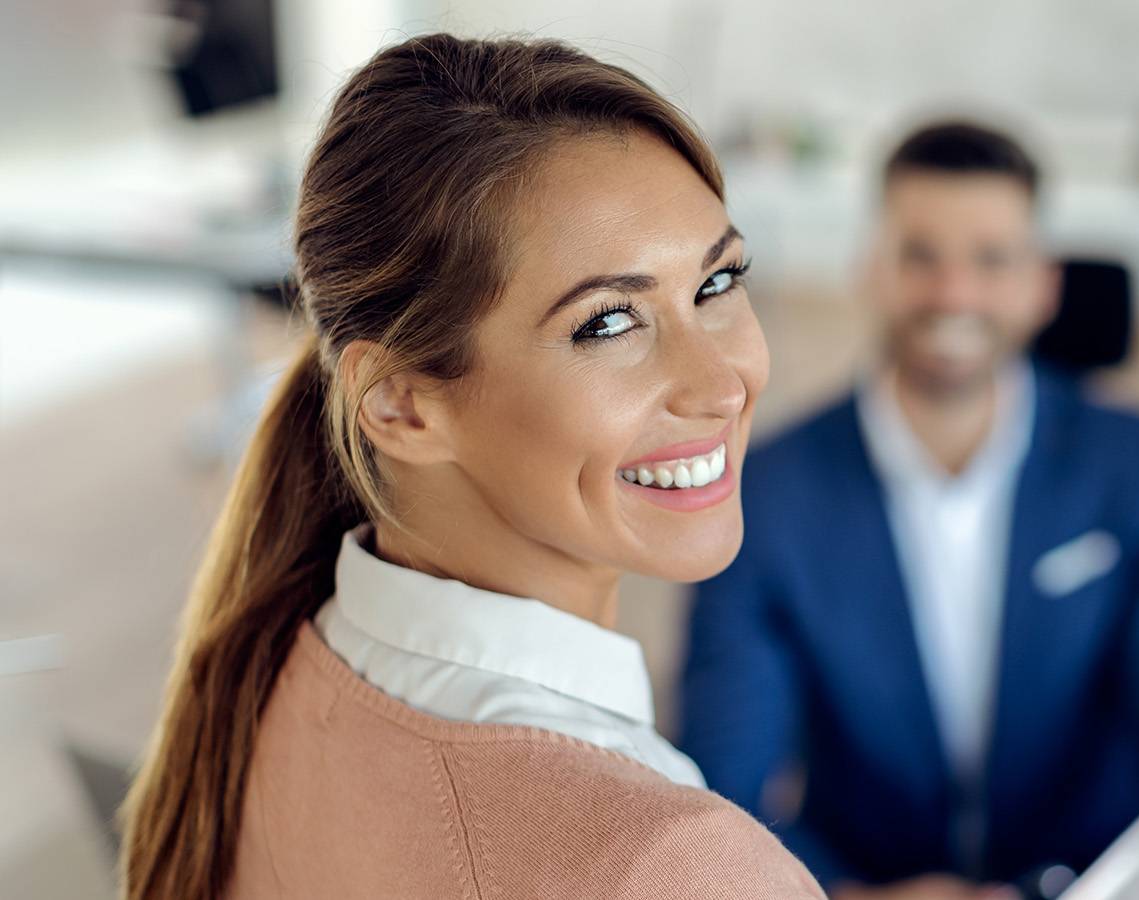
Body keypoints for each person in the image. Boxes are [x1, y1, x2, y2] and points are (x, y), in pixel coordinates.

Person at [118, 35, 821, 900]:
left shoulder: (278, 670)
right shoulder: (676, 864)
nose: (722, 385)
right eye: (607, 323)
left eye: (717, 283)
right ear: (401, 404)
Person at [678, 122, 1139, 899]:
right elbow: (724, 783)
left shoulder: (1137, 465)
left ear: (1045, 284)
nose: (955, 294)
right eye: (920, 255)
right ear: (869, 271)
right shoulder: (768, 491)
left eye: (991, 259)